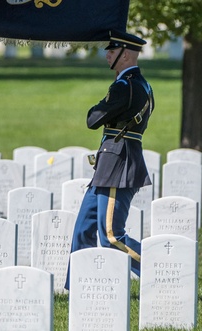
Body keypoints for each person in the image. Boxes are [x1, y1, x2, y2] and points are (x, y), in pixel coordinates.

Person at [66, 30, 153, 288]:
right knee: (84, 228)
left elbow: (93, 119)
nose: (107, 55)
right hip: (109, 164)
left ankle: (164, 272)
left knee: (112, 236)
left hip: (118, 164)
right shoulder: (142, 84)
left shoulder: (125, 86)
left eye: (112, 51)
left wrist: (97, 107)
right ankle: (77, 288)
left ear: (125, 55)